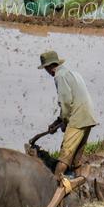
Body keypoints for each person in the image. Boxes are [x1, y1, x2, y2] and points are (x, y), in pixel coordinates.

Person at [39, 50, 97, 183]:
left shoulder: (59, 76)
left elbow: (66, 102)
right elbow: (74, 99)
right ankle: (80, 185)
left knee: (65, 155)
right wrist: (58, 121)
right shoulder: (73, 73)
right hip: (87, 115)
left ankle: (55, 183)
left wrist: (64, 122)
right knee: (76, 158)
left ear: (49, 67)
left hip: (77, 118)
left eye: (45, 68)